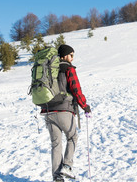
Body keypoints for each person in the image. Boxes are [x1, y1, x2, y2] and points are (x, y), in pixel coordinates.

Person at [41, 44, 92, 182]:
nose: (72, 58)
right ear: (65, 55)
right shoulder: (68, 68)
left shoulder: (48, 69)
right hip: (64, 110)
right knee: (72, 137)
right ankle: (67, 166)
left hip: (47, 111)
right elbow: (76, 89)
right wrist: (84, 105)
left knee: (56, 144)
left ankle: (57, 177)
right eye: (71, 55)